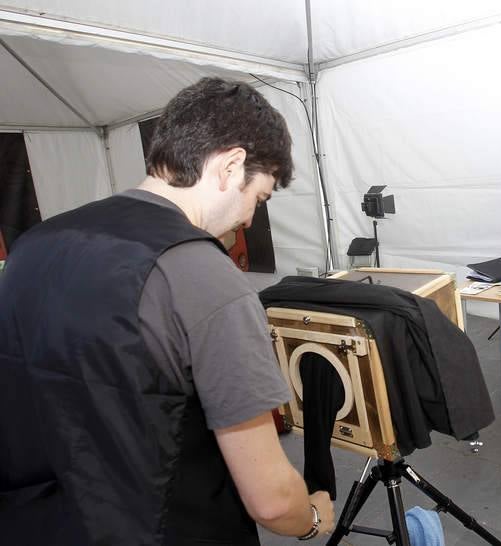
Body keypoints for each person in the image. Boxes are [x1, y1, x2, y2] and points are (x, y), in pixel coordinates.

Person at [0, 78, 334, 544]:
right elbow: (273, 501)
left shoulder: (34, 244)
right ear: (231, 166)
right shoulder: (206, 277)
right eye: (259, 197)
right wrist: (313, 518)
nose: (249, 220)